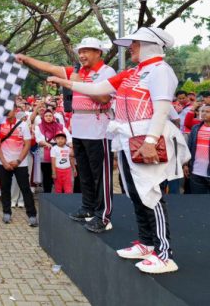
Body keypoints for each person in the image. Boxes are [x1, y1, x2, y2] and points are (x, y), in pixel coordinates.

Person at [48, 27, 189, 274]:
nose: (130, 47)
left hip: (146, 139)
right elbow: (98, 88)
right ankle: (146, 243)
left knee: (150, 194)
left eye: (135, 43)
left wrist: (150, 140)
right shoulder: (133, 72)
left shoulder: (160, 72)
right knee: (134, 193)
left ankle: (164, 254)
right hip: (126, 139)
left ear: (149, 45)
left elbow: (162, 108)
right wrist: (63, 81)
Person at [17, 37, 115, 233]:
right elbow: (50, 68)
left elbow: (104, 97)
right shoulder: (77, 72)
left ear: (99, 53)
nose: (82, 55)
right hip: (78, 128)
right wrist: (26, 58)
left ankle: (103, 216)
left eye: (87, 51)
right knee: (84, 174)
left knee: (100, 175)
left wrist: (80, 84)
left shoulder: (106, 72)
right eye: (80, 51)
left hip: (98, 128)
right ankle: (88, 208)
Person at [0, 109, 37, 227]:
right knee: (5, 188)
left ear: (15, 111)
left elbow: (28, 144)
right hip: (4, 163)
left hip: (21, 163)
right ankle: (6, 212)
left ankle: (32, 215)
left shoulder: (23, 125)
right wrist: (4, 162)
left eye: (10, 110)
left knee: (25, 188)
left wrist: (18, 160)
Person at [35, 109, 72, 193]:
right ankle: (47, 193)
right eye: (46, 116)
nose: (48, 117)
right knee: (47, 175)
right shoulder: (39, 126)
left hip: (59, 153)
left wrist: (70, 144)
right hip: (45, 153)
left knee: (60, 176)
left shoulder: (60, 126)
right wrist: (45, 143)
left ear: (53, 117)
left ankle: (61, 195)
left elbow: (68, 136)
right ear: (43, 117)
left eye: (50, 116)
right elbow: (38, 139)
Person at [185, 104, 210, 194]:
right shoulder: (195, 129)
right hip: (196, 172)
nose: (203, 113)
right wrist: (186, 165)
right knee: (198, 201)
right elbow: (189, 147)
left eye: (207, 112)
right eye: (202, 111)